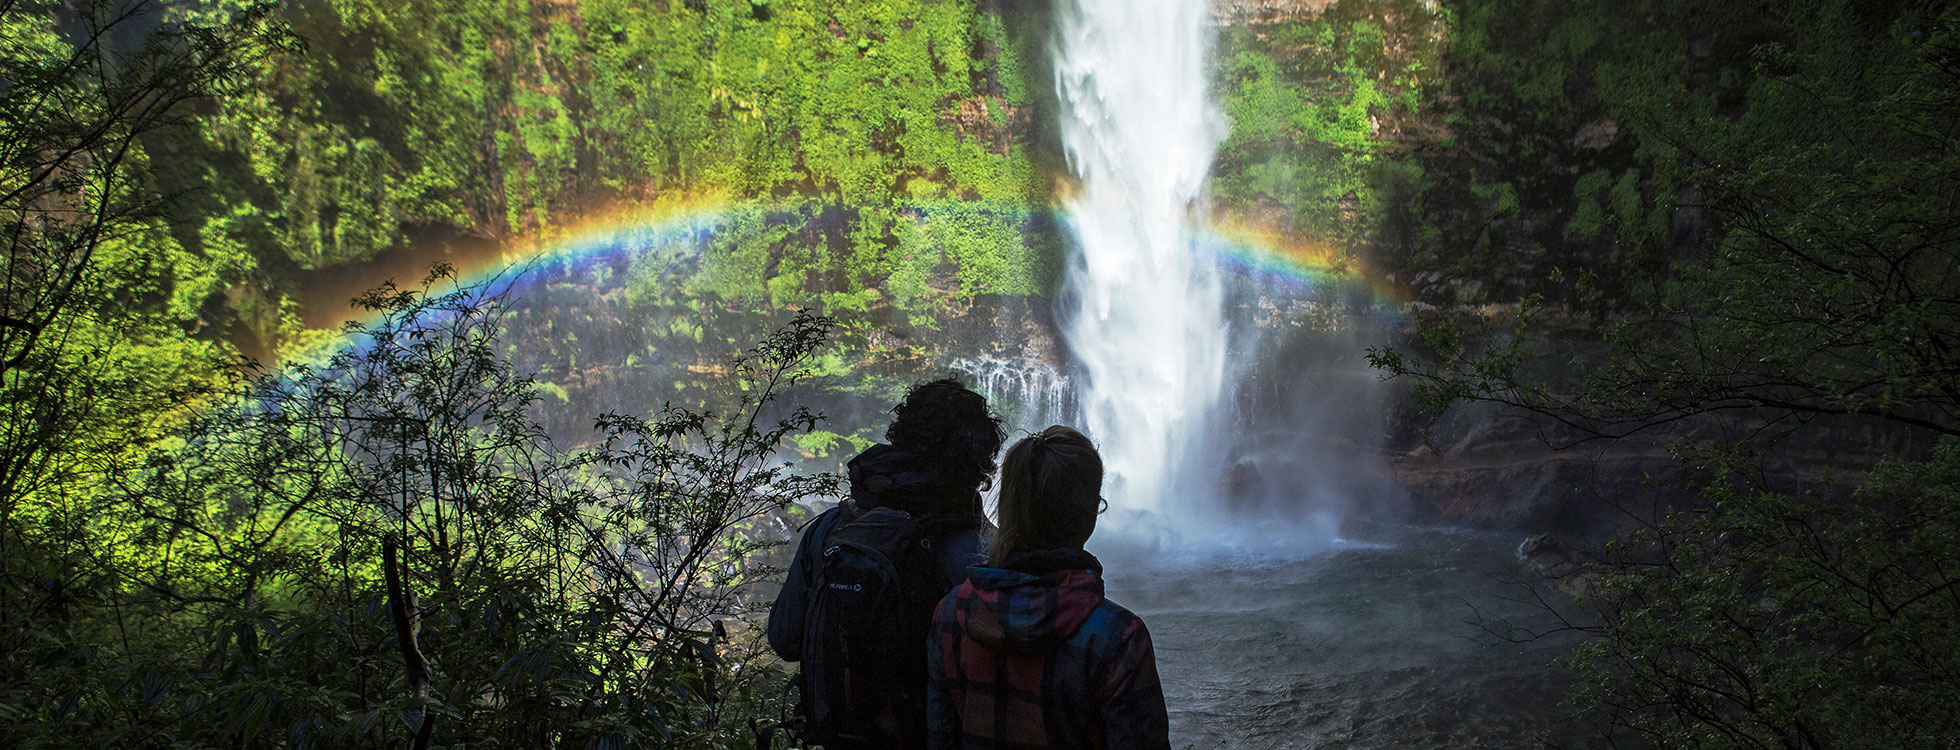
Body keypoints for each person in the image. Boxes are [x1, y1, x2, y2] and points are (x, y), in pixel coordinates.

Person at [768, 378, 1007, 750]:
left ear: (900, 437)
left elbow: (783, 640)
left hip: (843, 736)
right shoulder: (982, 553)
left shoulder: (832, 530)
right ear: (979, 460)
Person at [926, 425, 1171, 750]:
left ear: (1009, 505)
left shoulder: (952, 614)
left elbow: (941, 738)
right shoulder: (1119, 637)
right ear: (1088, 517)